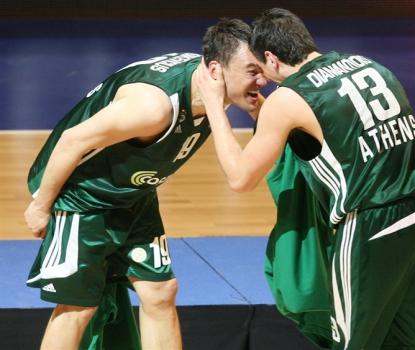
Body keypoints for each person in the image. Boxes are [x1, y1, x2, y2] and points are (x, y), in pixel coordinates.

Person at [195, 8, 415, 350]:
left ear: (271, 58)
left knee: (353, 343)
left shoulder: (289, 97)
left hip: (374, 225)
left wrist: (216, 106)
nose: (263, 81)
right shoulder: (372, 66)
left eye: (261, 69)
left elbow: (240, 178)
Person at [24, 18, 266, 350]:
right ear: (215, 70)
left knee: (160, 291)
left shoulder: (213, 85)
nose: (263, 79)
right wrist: (41, 206)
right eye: (252, 70)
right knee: (78, 307)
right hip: (84, 195)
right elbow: (71, 141)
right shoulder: (152, 109)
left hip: (134, 194)